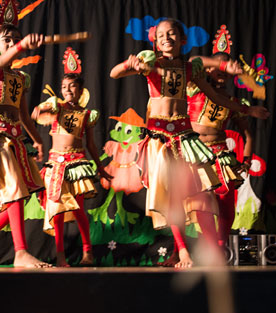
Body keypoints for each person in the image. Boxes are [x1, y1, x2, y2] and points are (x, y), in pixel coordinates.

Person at [109, 18, 267, 268]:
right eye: (161, 35)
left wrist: (248, 111)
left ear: (183, 40)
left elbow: (215, 96)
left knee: (197, 194)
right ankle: (182, 252)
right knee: (171, 197)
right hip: (159, 138)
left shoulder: (190, 69)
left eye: (172, 34)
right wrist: (130, 63)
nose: (166, 38)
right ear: (155, 43)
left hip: (185, 137)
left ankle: (211, 248)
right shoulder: (152, 65)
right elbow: (114, 73)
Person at [0, 11, 50, 267]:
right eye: (6, 39)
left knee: (20, 194)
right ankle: (20, 252)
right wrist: (20, 45)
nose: (11, 42)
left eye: (15, 38)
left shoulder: (19, 78)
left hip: (14, 136)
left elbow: (24, 115)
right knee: (15, 190)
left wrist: (37, 139)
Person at [188, 25, 269, 248]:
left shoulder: (234, 103)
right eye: (217, 68)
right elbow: (195, 60)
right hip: (196, 152)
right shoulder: (195, 87)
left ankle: (221, 244)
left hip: (220, 152)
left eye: (225, 70)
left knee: (225, 199)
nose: (220, 72)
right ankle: (211, 244)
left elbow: (248, 134)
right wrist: (220, 63)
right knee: (202, 200)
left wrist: (245, 160)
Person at [31, 47, 111, 267]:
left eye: (72, 86)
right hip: (56, 163)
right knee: (56, 210)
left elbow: (92, 145)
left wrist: (101, 167)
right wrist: (45, 106)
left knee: (78, 210)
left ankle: (88, 252)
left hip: (77, 164)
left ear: (80, 89)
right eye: (64, 87)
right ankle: (60, 255)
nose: (67, 90)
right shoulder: (56, 108)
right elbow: (34, 115)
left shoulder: (86, 114)